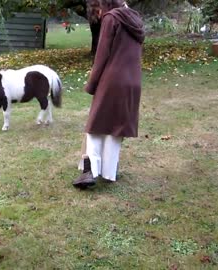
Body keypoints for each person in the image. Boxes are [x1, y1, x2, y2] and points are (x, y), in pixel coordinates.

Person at [73, 0, 144, 189]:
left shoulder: (111, 18)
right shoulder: (135, 18)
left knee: (95, 125)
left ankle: (90, 171)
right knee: (116, 127)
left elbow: (101, 55)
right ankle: (109, 171)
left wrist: (91, 84)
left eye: (97, 9)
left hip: (112, 80)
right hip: (133, 81)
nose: (98, 14)